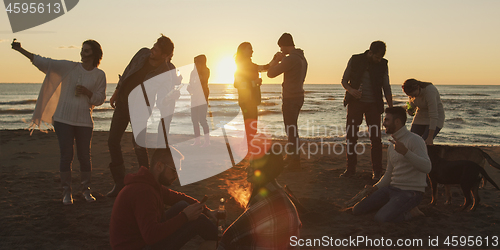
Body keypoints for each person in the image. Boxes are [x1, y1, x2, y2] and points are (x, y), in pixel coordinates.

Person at [12, 39, 106, 205]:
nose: (82, 53)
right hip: (63, 119)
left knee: (84, 156)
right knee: (66, 155)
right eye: (82, 50)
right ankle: (66, 192)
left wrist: (87, 92)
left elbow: (99, 99)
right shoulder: (69, 67)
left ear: (95, 54)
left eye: (87, 51)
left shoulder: (100, 75)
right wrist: (21, 50)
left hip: (84, 121)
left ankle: (86, 190)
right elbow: (44, 62)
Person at [107, 35, 179, 197]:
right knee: (112, 141)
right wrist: (117, 92)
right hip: (123, 104)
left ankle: (148, 181)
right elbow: (127, 72)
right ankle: (119, 183)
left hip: (141, 108)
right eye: (154, 46)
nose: (152, 50)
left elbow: (164, 96)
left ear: (164, 55)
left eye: (157, 49)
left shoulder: (166, 71)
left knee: (139, 144)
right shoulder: (142, 54)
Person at [109, 147, 218, 250]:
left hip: (142, 240)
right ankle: (224, 243)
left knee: (183, 205)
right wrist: (185, 217)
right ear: (159, 166)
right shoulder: (143, 192)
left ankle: (220, 241)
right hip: (138, 247)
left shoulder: (151, 184)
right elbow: (151, 236)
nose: (177, 175)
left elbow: (178, 198)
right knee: (196, 221)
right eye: (174, 170)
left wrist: (207, 211)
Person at [352, 107, 431, 222]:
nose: (383, 123)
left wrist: (406, 152)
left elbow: (427, 167)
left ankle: (412, 212)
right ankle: (391, 207)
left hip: (411, 192)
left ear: (397, 122)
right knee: (357, 210)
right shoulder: (392, 145)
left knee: (381, 218)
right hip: (392, 189)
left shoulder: (415, 140)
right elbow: (389, 173)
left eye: (387, 120)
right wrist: (375, 187)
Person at [218, 151, 301, 249]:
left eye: (251, 165)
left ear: (263, 170)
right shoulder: (276, 192)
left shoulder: (266, 202)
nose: (246, 168)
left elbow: (229, 236)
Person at [340, 40, 393, 180]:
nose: (378, 60)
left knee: (376, 139)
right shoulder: (355, 59)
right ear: (370, 52)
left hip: (374, 105)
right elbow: (344, 81)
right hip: (355, 104)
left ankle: (377, 171)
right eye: (376, 57)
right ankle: (350, 169)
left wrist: (391, 106)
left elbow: (386, 86)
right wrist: (352, 91)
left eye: (380, 57)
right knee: (351, 137)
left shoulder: (383, 64)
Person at [267, 33, 308, 169]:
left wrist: (275, 60)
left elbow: (271, 74)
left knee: (290, 129)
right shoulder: (303, 59)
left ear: (285, 45)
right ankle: (292, 157)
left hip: (290, 97)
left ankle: (294, 160)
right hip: (299, 96)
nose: (280, 50)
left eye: (281, 47)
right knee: (293, 128)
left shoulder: (290, 59)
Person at [234, 42, 270, 157]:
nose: (252, 51)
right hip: (246, 100)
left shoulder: (250, 65)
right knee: (250, 127)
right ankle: (248, 150)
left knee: (251, 126)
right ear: (243, 50)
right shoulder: (241, 65)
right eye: (250, 49)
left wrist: (275, 60)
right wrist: (255, 83)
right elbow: (237, 84)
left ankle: (247, 148)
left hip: (252, 100)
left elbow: (263, 68)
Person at [402, 79, 445, 145]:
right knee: (411, 141)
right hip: (420, 116)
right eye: (410, 96)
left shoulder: (430, 91)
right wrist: (410, 109)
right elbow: (413, 103)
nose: (412, 97)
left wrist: (430, 137)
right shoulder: (411, 93)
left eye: (414, 95)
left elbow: (433, 115)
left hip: (436, 117)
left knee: (424, 143)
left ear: (418, 88)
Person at [187, 54, 211, 147]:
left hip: (202, 97)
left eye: (197, 62)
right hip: (194, 97)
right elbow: (190, 83)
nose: (195, 64)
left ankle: (207, 141)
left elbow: (202, 81)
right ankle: (197, 141)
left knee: (202, 120)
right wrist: (189, 88)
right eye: (195, 62)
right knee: (194, 119)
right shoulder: (192, 73)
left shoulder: (206, 71)